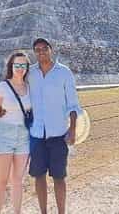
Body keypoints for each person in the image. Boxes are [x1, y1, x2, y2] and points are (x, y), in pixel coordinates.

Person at [27, 38, 82, 214]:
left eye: (44, 48)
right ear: (34, 52)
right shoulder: (30, 74)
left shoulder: (64, 73)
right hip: (36, 135)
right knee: (39, 176)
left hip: (58, 134)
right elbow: (18, 95)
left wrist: (72, 129)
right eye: (37, 49)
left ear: (51, 50)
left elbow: (73, 105)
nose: (41, 52)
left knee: (59, 177)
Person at [0, 52, 32, 214]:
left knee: (18, 181)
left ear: (27, 68)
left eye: (23, 65)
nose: (20, 68)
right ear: (11, 67)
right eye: (16, 65)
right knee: (1, 181)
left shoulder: (29, 88)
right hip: (4, 135)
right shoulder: (2, 87)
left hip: (23, 137)